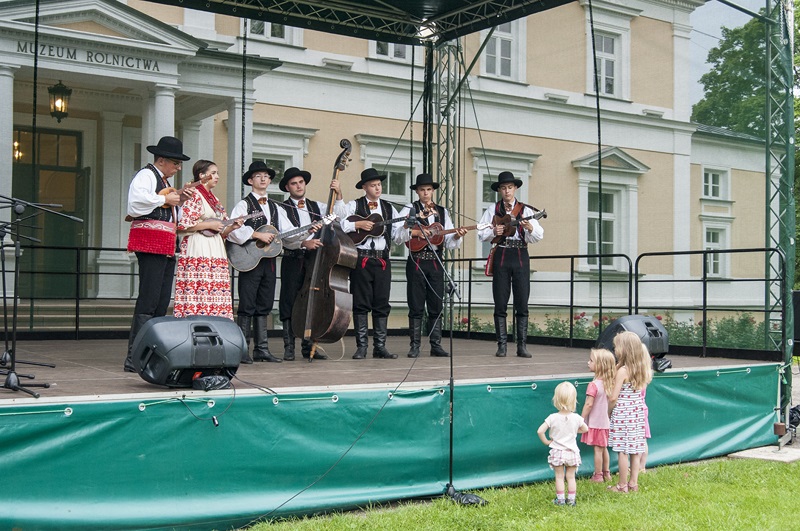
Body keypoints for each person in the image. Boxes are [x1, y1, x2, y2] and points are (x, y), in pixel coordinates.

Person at [123, 136, 191, 372]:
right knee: (148, 300)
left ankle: (150, 354)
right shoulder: (146, 175)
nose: (178, 167)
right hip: (151, 243)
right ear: (161, 160)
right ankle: (134, 357)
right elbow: (135, 204)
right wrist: (165, 198)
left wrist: (177, 200)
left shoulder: (162, 181)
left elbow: (170, 214)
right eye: (176, 163)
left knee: (161, 301)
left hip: (165, 245)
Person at [226, 161, 302, 364]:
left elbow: (288, 232)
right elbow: (233, 230)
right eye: (258, 176)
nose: (263, 179)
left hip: (268, 260)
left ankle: (261, 349)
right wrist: (256, 234)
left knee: (265, 304)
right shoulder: (244, 204)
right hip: (248, 259)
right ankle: (243, 350)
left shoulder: (276, 207)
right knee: (247, 304)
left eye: (266, 176)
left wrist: (308, 231)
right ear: (251, 181)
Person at [277, 166, 347, 361]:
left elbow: (340, 217)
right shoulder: (281, 209)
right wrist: (303, 242)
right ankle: (289, 347)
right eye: (294, 183)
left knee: (313, 300)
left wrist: (339, 195)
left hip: (314, 260)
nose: (298, 186)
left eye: (301, 182)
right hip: (293, 258)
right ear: (287, 187)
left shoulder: (316, 206)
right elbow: (284, 235)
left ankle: (308, 347)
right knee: (289, 301)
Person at [394, 173, 466, 357]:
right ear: (417, 191)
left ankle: (436, 345)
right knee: (416, 304)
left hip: (435, 261)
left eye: (428, 190)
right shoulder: (410, 209)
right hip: (417, 260)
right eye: (422, 190)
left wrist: (457, 235)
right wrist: (415, 232)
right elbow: (398, 236)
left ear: (433, 191)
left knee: (436, 303)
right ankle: (415, 346)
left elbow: (448, 241)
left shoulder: (442, 211)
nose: (425, 193)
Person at [339, 168, 404, 359]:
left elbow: (398, 236)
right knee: (360, 302)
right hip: (362, 259)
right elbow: (339, 223)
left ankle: (380, 346)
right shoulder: (355, 205)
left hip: (383, 259)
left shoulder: (389, 208)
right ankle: (361, 347)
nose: (378, 188)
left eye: (379, 185)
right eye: (373, 185)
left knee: (382, 302)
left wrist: (406, 227)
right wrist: (357, 225)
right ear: (365, 187)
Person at [477, 171, 543, 358]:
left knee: (522, 301)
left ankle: (522, 346)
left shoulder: (526, 210)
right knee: (500, 301)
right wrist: (494, 231)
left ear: (515, 189)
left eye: (510, 187)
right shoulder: (492, 209)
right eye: (504, 188)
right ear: (499, 190)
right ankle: (502, 346)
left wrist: (530, 227)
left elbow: (538, 236)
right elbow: (481, 233)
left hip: (520, 254)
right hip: (502, 254)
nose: (507, 191)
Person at [173, 160, 242, 319]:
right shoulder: (193, 194)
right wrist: (209, 224)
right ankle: (196, 319)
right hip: (198, 243)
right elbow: (183, 225)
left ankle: (216, 320)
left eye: (217, 173)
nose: (217, 176)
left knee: (215, 286)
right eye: (213, 173)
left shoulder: (214, 199)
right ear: (201, 175)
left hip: (214, 245)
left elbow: (221, 229)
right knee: (201, 283)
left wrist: (232, 227)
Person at [607, 331, 653, 493]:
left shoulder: (623, 371)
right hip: (637, 414)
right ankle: (633, 483)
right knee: (635, 450)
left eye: (616, 347)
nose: (615, 350)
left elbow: (614, 397)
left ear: (624, 349)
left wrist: (608, 411)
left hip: (623, 414)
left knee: (623, 451)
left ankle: (621, 485)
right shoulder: (642, 369)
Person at [537, 381, 588, 507]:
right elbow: (585, 429)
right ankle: (571, 500)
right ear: (573, 399)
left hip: (557, 451)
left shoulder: (552, 417)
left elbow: (540, 431)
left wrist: (546, 441)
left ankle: (560, 500)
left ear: (556, 399)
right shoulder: (576, 418)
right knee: (571, 477)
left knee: (559, 476)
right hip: (572, 452)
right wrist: (573, 431)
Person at [580, 348, 616, 482]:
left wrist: (581, 419)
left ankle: (598, 475)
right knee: (603, 447)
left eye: (591, 360)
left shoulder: (593, 385)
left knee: (597, 450)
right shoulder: (610, 384)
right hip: (605, 423)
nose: (588, 362)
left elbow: (589, 404)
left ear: (600, 365)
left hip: (596, 423)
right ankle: (607, 473)